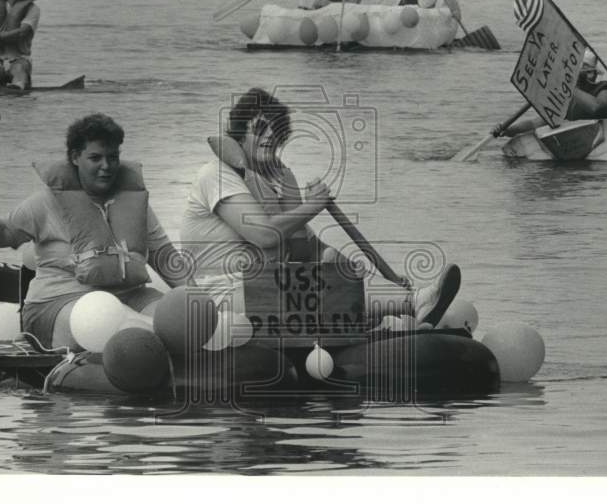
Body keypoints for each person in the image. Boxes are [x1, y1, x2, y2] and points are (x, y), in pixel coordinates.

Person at [180, 88, 461, 329]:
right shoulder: (216, 174)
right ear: (240, 136)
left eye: (274, 130)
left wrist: (362, 273)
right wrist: (313, 205)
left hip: (266, 285)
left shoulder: (275, 179)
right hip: (220, 295)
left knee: (332, 263)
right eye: (259, 129)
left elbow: (302, 250)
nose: (269, 136)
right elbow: (264, 235)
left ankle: (404, 304)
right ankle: (411, 304)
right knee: (312, 286)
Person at [0, 113, 185, 349]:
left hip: (130, 295)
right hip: (59, 303)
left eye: (113, 157)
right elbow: (4, 232)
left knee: (183, 320)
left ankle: (160, 342)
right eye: (96, 158)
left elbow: (165, 256)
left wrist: (199, 300)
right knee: (112, 320)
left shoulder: (134, 204)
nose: (106, 167)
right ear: (76, 157)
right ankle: (154, 340)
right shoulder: (45, 203)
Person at [492, 49, 607, 138]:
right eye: (587, 73)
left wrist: (568, 87)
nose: (591, 77)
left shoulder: (605, 93)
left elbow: (595, 108)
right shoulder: (570, 100)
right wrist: (507, 130)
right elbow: (536, 124)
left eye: (592, 72)